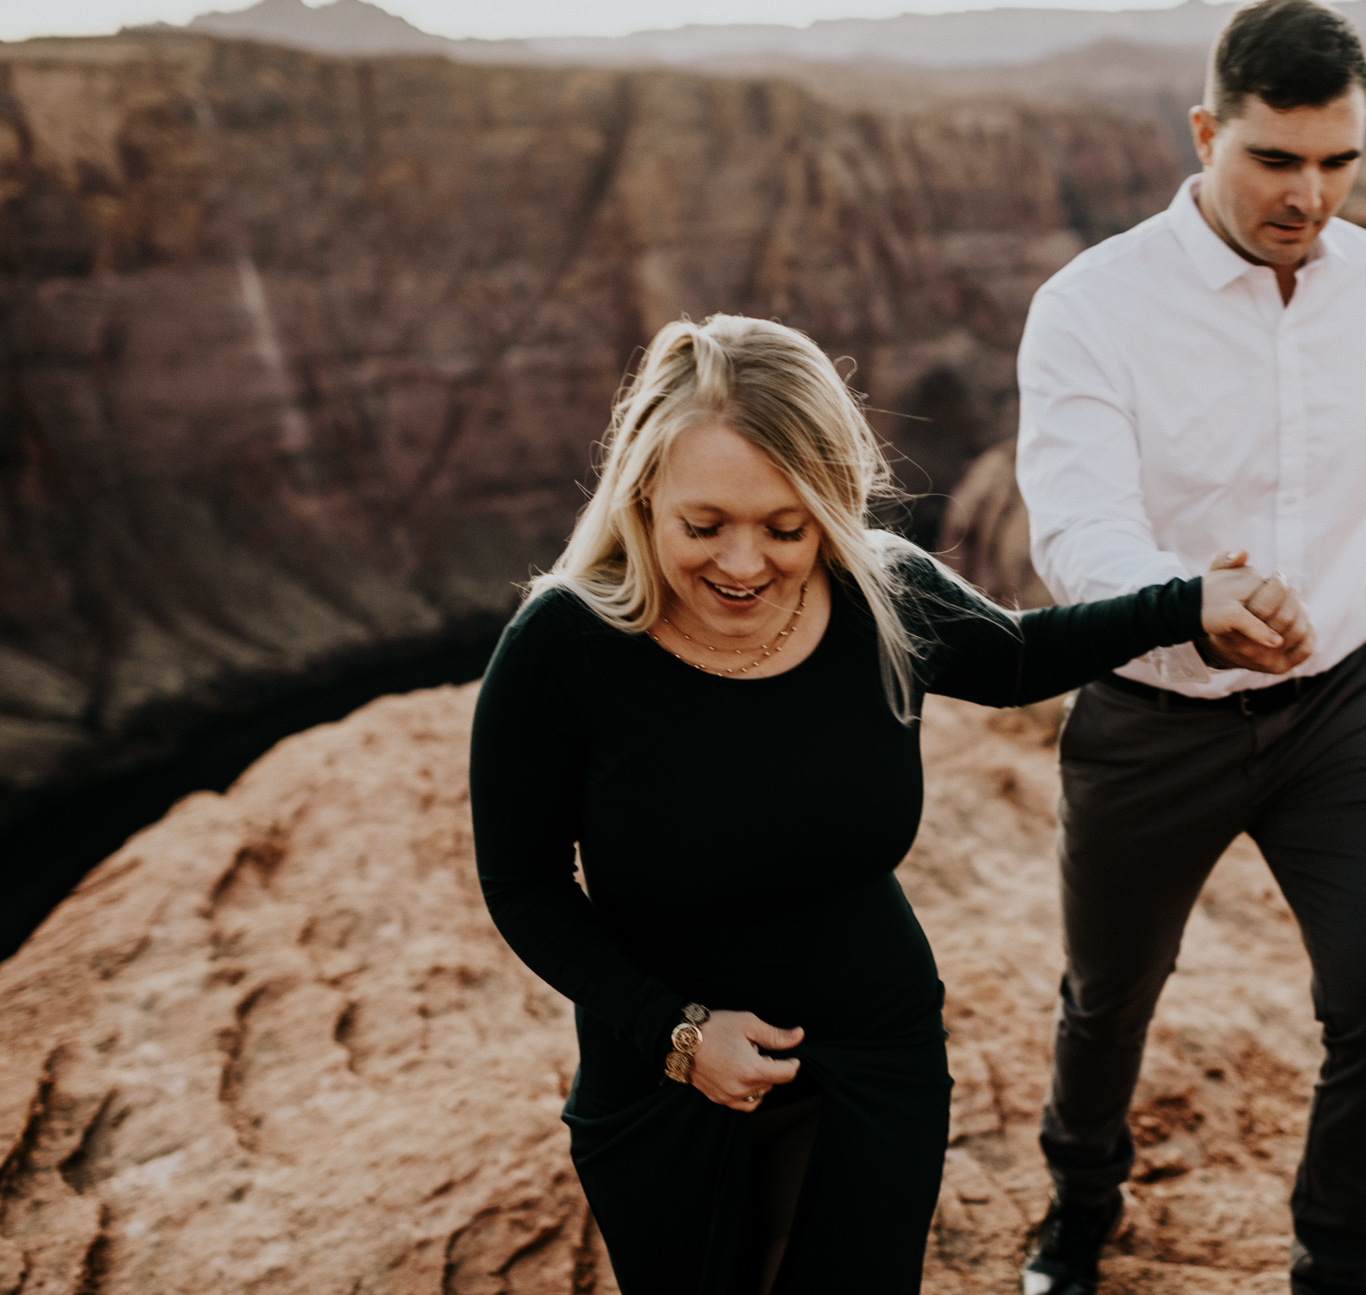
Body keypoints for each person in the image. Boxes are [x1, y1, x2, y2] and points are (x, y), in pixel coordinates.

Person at [467, 313, 1303, 1294]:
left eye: (787, 527)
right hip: (657, 1073)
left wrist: (1187, 606)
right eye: (704, 526)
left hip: (875, 1050)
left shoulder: (881, 593)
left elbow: (1021, 658)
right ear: (643, 492)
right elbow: (523, 886)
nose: (743, 565)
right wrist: (675, 1032)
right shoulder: (562, 645)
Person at [1013, 0, 1366, 1295]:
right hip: (1150, 714)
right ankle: (1078, 1212)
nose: (1311, 196)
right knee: (1108, 1000)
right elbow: (1078, 527)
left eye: (1340, 162)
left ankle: (1340, 1267)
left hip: (1340, 703)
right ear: (1207, 129)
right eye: (1277, 159)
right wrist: (1190, 600)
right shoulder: (1091, 306)